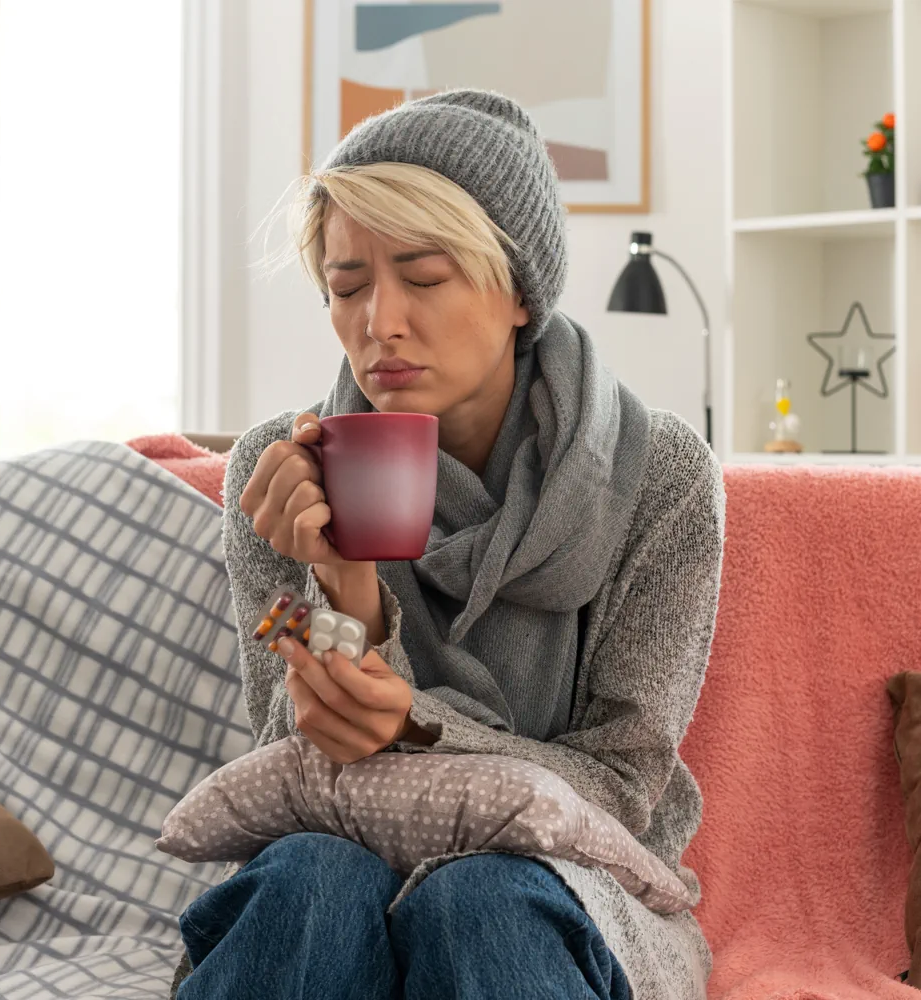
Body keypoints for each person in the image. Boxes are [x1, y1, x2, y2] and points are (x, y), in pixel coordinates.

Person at [172, 90, 725, 1000]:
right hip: (338, 854)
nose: (378, 323)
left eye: (423, 277)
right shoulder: (282, 472)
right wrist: (343, 588)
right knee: (311, 883)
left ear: (520, 293)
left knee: (483, 901)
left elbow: (624, 787)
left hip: (572, 882)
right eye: (347, 286)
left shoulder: (658, 476)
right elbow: (288, 751)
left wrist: (418, 724)